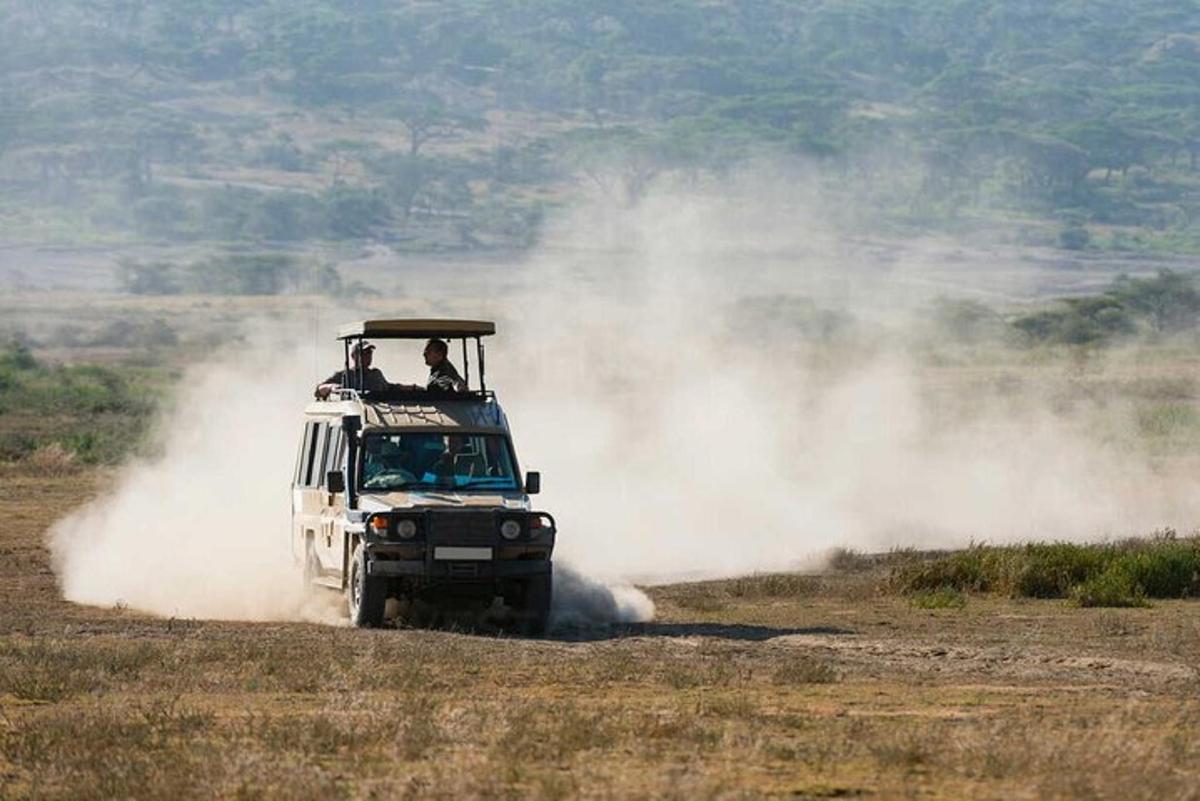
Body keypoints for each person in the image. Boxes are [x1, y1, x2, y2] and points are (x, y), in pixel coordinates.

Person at [314, 341, 392, 399]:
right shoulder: (345, 375)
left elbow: (388, 388)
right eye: (364, 353)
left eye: (369, 352)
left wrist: (401, 387)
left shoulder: (376, 374)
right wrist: (330, 387)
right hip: (353, 414)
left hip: (380, 410)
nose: (368, 356)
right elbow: (318, 391)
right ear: (353, 356)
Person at [396, 338, 468, 393]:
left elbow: (435, 392)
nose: (424, 354)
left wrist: (415, 389)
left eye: (428, 351)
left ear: (440, 355)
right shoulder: (439, 370)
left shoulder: (445, 372)